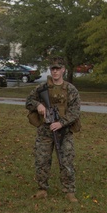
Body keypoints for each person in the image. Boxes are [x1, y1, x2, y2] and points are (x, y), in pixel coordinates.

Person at [25, 56, 82, 202]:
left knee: (66, 160)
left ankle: (69, 190)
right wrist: (38, 105)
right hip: (45, 130)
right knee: (42, 160)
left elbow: (75, 111)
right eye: (53, 69)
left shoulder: (71, 90)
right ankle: (42, 188)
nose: (55, 71)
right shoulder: (42, 88)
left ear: (63, 70)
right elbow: (29, 101)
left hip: (64, 131)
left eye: (58, 69)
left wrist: (61, 123)